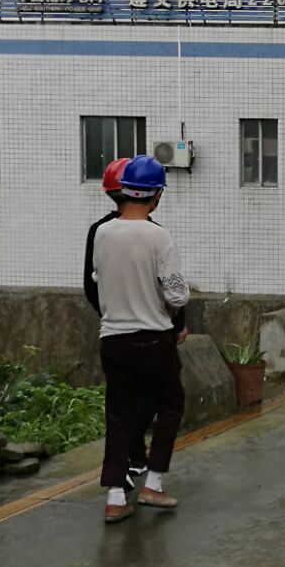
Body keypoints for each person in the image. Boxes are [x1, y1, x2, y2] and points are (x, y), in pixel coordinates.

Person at [92, 154, 189, 524]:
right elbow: (176, 293)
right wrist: (172, 304)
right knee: (170, 406)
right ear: (156, 194)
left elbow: (98, 278)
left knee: (118, 415)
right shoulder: (158, 236)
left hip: (113, 339)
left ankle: (115, 497)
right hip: (153, 338)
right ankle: (154, 484)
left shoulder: (102, 233)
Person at [83, 158, 151, 485]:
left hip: (113, 332)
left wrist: (110, 313)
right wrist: (177, 323)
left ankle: (132, 458)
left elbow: (90, 284)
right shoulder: (153, 232)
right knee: (152, 394)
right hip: (149, 330)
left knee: (121, 400)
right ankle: (130, 456)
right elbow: (166, 284)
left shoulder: (99, 231)